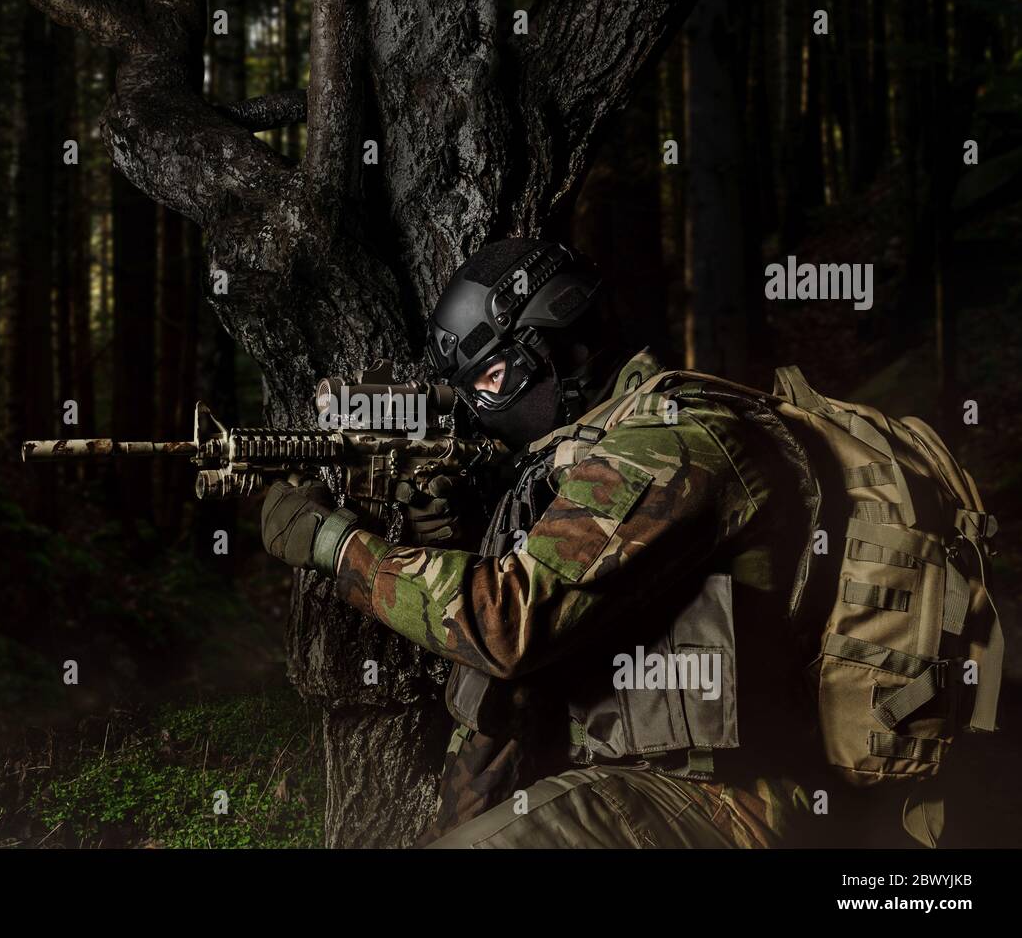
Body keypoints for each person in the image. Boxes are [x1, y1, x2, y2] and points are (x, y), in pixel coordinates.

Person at [259, 238, 833, 848]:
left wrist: (333, 544)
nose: (481, 408)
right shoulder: (582, 455)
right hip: (634, 783)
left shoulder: (670, 442)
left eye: (495, 378)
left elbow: (507, 623)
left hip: (734, 801)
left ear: (561, 347)